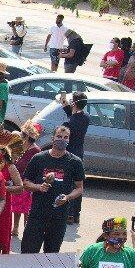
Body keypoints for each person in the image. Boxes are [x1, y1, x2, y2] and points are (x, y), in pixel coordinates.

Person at [20, 124, 84, 253]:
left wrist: (67, 197)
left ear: (69, 140)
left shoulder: (75, 162)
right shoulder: (39, 158)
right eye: (59, 136)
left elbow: (79, 188)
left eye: (65, 137)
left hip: (59, 217)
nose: (62, 140)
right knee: (28, 253)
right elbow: (25, 182)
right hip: (37, 214)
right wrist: (38, 187)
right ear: (53, 138)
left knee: (51, 255)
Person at [57, 91, 89, 224]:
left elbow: (70, 120)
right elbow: (74, 115)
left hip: (70, 153)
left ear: (74, 103)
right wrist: (65, 105)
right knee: (78, 183)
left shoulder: (68, 123)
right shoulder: (86, 117)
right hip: (79, 153)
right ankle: (76, 214)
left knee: (69, 183)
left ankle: (69, 214)